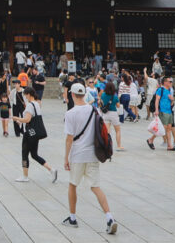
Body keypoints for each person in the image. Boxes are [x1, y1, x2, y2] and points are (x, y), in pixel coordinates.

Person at [62, 83, 117, 234]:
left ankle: (72, 218)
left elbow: (69, 139)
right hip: (93, 154)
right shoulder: (94, 110)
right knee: (95, 186)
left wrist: (66, 158)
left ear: (72, 95)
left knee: (73, 185)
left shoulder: (70, 114)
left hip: (77, 155)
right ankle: (109, 217)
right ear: (84, 94)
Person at [11, 87, 58, 183]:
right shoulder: (37, 103)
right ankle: (51, 170)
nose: (25, 97)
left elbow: (27, 120)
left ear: (28, 94)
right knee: (34, 155)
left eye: (25, 95)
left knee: (25, 154)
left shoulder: (29, 105)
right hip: (35, 133)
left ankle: (25, 176)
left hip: (29, 133)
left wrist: (17, 118)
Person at [100, 81, 123, 151]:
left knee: (107, 131)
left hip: (105, 114)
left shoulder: (103, 95)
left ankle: (107, 145)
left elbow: (101, 102)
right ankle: (119, 146)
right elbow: (118, 106)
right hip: (113, 113)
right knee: (118, 130)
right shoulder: (115, 96)